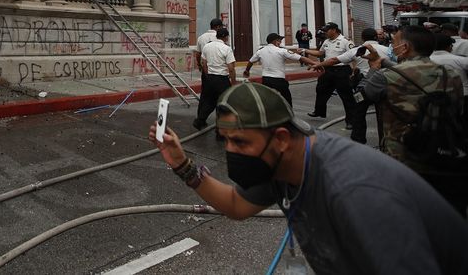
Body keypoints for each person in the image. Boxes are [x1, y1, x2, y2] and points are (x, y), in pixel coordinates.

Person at [148, 82, 468, 274]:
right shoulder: (281, 163)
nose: (231, 150)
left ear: (282, 138)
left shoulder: (355, 192)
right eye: (227, 140)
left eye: (241, 142)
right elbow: (235, 205)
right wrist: (181, 164)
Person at [361, 25, 468, 217]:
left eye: (394, 43)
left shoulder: (386, 76)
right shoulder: (450, 75)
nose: (392, 47)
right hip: (444, 151)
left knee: (407, 214)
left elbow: (366, 95)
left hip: (402, 155)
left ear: (405, 47)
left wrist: (374, 68)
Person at [313, 27, 389, 144]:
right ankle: (384, 142)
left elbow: (334, 60)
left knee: (359, 112)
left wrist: (319, 64)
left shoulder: (357, 50)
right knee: (383, 114)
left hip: (364, 85)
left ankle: (358, 140)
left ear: (363, 38)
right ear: (377, 37)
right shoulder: (387, 50)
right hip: (383, 84)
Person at [301, 22, 356, 126]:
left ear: (334, 30)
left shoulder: (345, 41)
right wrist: (305, 50)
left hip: (342, 70)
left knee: (346, 96)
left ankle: (351, 121)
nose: (325, 32)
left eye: (327, 30)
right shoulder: (326, 41)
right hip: (328, 70)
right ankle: (319, 112)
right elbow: (320, 53)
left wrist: (354, 71)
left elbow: (354, 56)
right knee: (321, 89)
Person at [243, 32, 316, 105]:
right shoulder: (282, 51)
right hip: (279, 80)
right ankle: (288, 114)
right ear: (274, 41)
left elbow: (250, 61)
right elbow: (301, 58)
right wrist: (315, 63)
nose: (280, 42)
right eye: (279, 40)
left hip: (266, 80)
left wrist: (247, 71)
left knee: (267, 101)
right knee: (287, 101)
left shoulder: (260, 51)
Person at [194, 27, 237, 135]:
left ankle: (200, 120)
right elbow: (231, 68)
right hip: (222, 79)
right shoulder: (226, 48)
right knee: (223, 104)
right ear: (225, 37)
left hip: (210, 78)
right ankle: (220, 130)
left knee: (209, 101)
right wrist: (233, 82)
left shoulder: (207, 46)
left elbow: (204, 63)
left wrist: (208, 76)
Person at [430, 33, 468, 114]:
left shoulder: (427, 60)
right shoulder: (461, 60)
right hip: (461, 96)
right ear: (450, 46)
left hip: (432, 98)